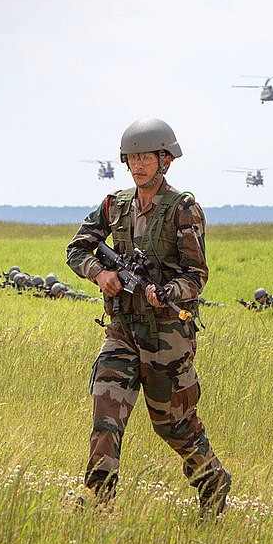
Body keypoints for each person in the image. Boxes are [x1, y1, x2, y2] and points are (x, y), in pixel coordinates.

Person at [66, 117, 231, 515]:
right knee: (106, 413)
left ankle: (212, 481)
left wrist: (168, 293)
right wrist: (101, 273)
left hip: (166, 336)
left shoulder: (183, 209)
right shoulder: (114, 205)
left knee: (173, 424)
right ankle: (99, 498)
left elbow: (196, 275)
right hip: (122, 330)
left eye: (146, 158)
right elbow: (77, 249)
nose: (137, 165)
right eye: (132, 158)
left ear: (165, 161)